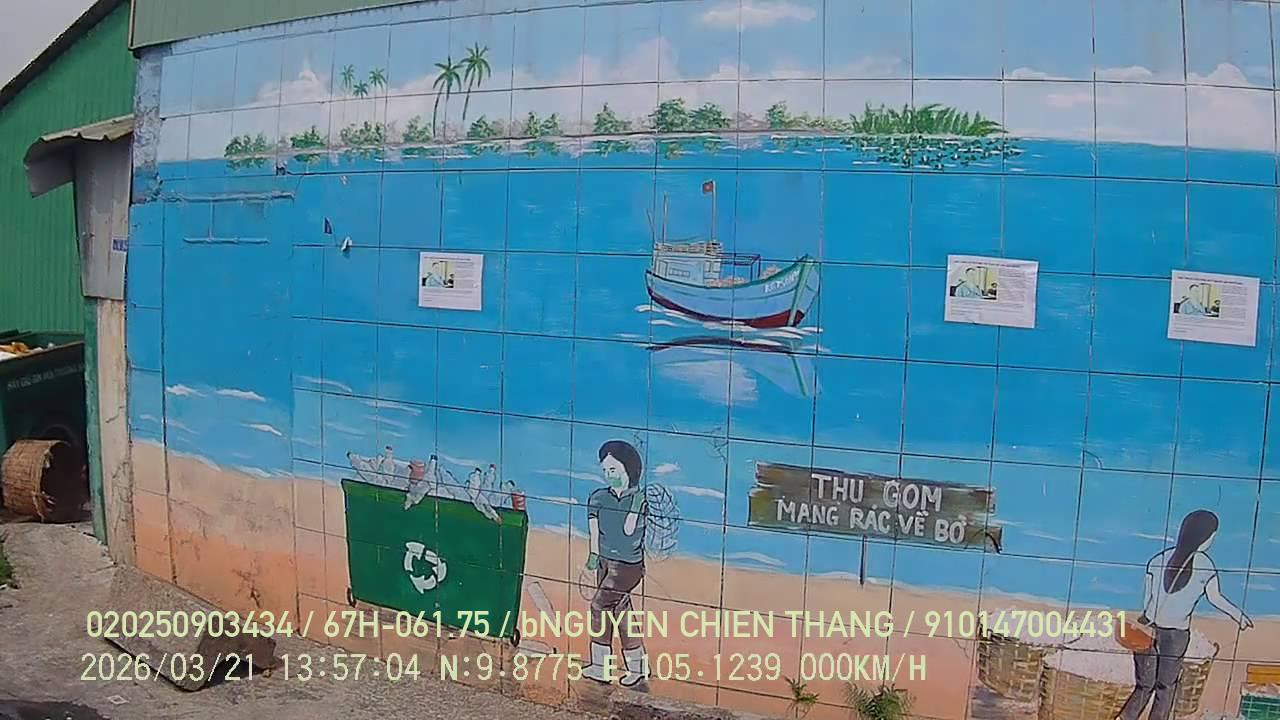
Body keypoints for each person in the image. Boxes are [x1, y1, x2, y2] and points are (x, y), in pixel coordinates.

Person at [1117, 510, 1253, 720]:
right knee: (1166, 686)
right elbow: (1215, 598)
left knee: (1145, 685)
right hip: (1176, 635)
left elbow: (1148, 599)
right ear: (1204, 537)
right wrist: (1239, 616)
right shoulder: (1206, 567)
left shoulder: (1158, 560)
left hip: (1149, 630)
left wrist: (1149, 618)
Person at [581, 440, 649, 687]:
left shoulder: (638, 500)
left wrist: (636, 505)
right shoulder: (598, 497)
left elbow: (629, 530)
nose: (609, 474)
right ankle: (638, 666)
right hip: (604, 562)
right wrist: (592, 557)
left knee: (599, 606)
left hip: (627, 566)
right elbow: (594, 530)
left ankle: (601, 667)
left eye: (613, 469)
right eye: (605, 470)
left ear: (629, 468)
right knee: (621, 611)